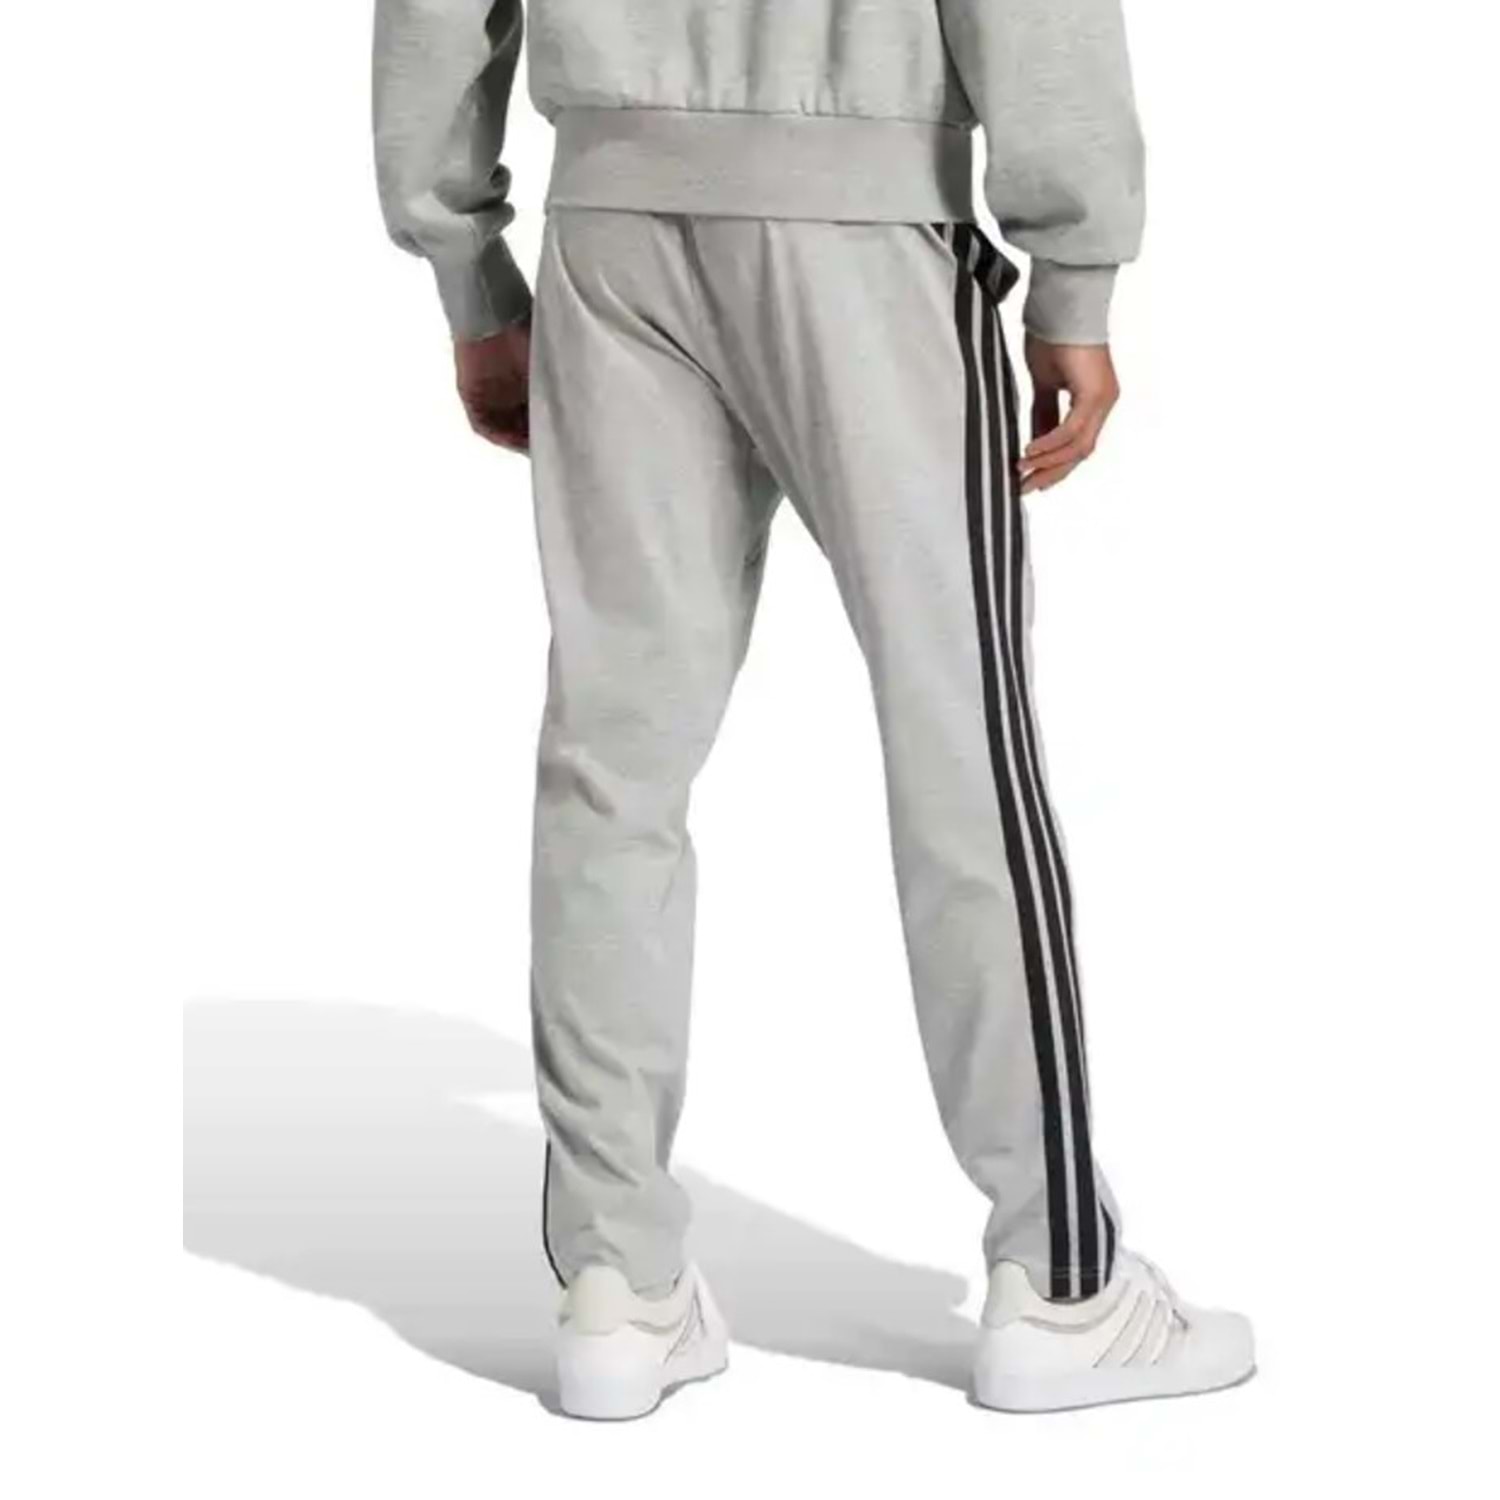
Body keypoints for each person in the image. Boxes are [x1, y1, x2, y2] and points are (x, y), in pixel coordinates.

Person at [373, 0, 1253, 1419]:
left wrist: (470, 276)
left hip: (615, 232)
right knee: (963, 742)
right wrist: (1075, 278)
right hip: (866, 233)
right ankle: (1061, 1288)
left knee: (612, 762)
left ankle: (616, 1285)